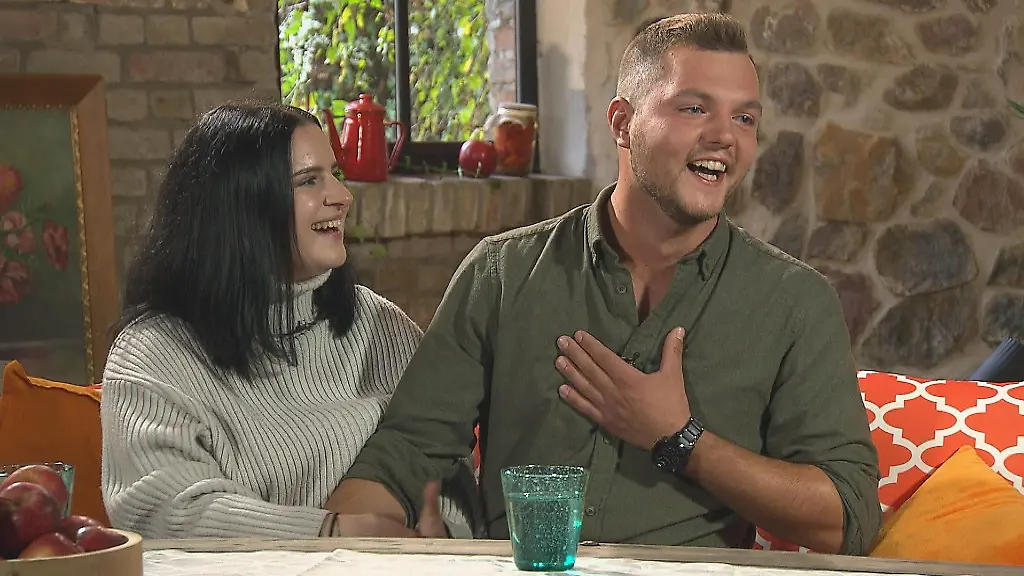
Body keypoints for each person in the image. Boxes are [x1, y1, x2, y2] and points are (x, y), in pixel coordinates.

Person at [333, 12, 882, 554]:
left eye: (744, 118)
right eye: (694, 108)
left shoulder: (793, 301)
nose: (723, 137)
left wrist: (682, 440)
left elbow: (848, 519)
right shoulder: (502, 273)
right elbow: (404, 457)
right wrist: (333, 545)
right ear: (622, 122)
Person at [100, 102, 476, 539]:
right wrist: (331, 534)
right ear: (241, 207)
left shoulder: (382, 326)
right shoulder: (152, 357)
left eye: (334, 174)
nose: (342, 196)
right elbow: (169, 513)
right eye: (308, 181)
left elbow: (450, 474)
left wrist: (439, 539)